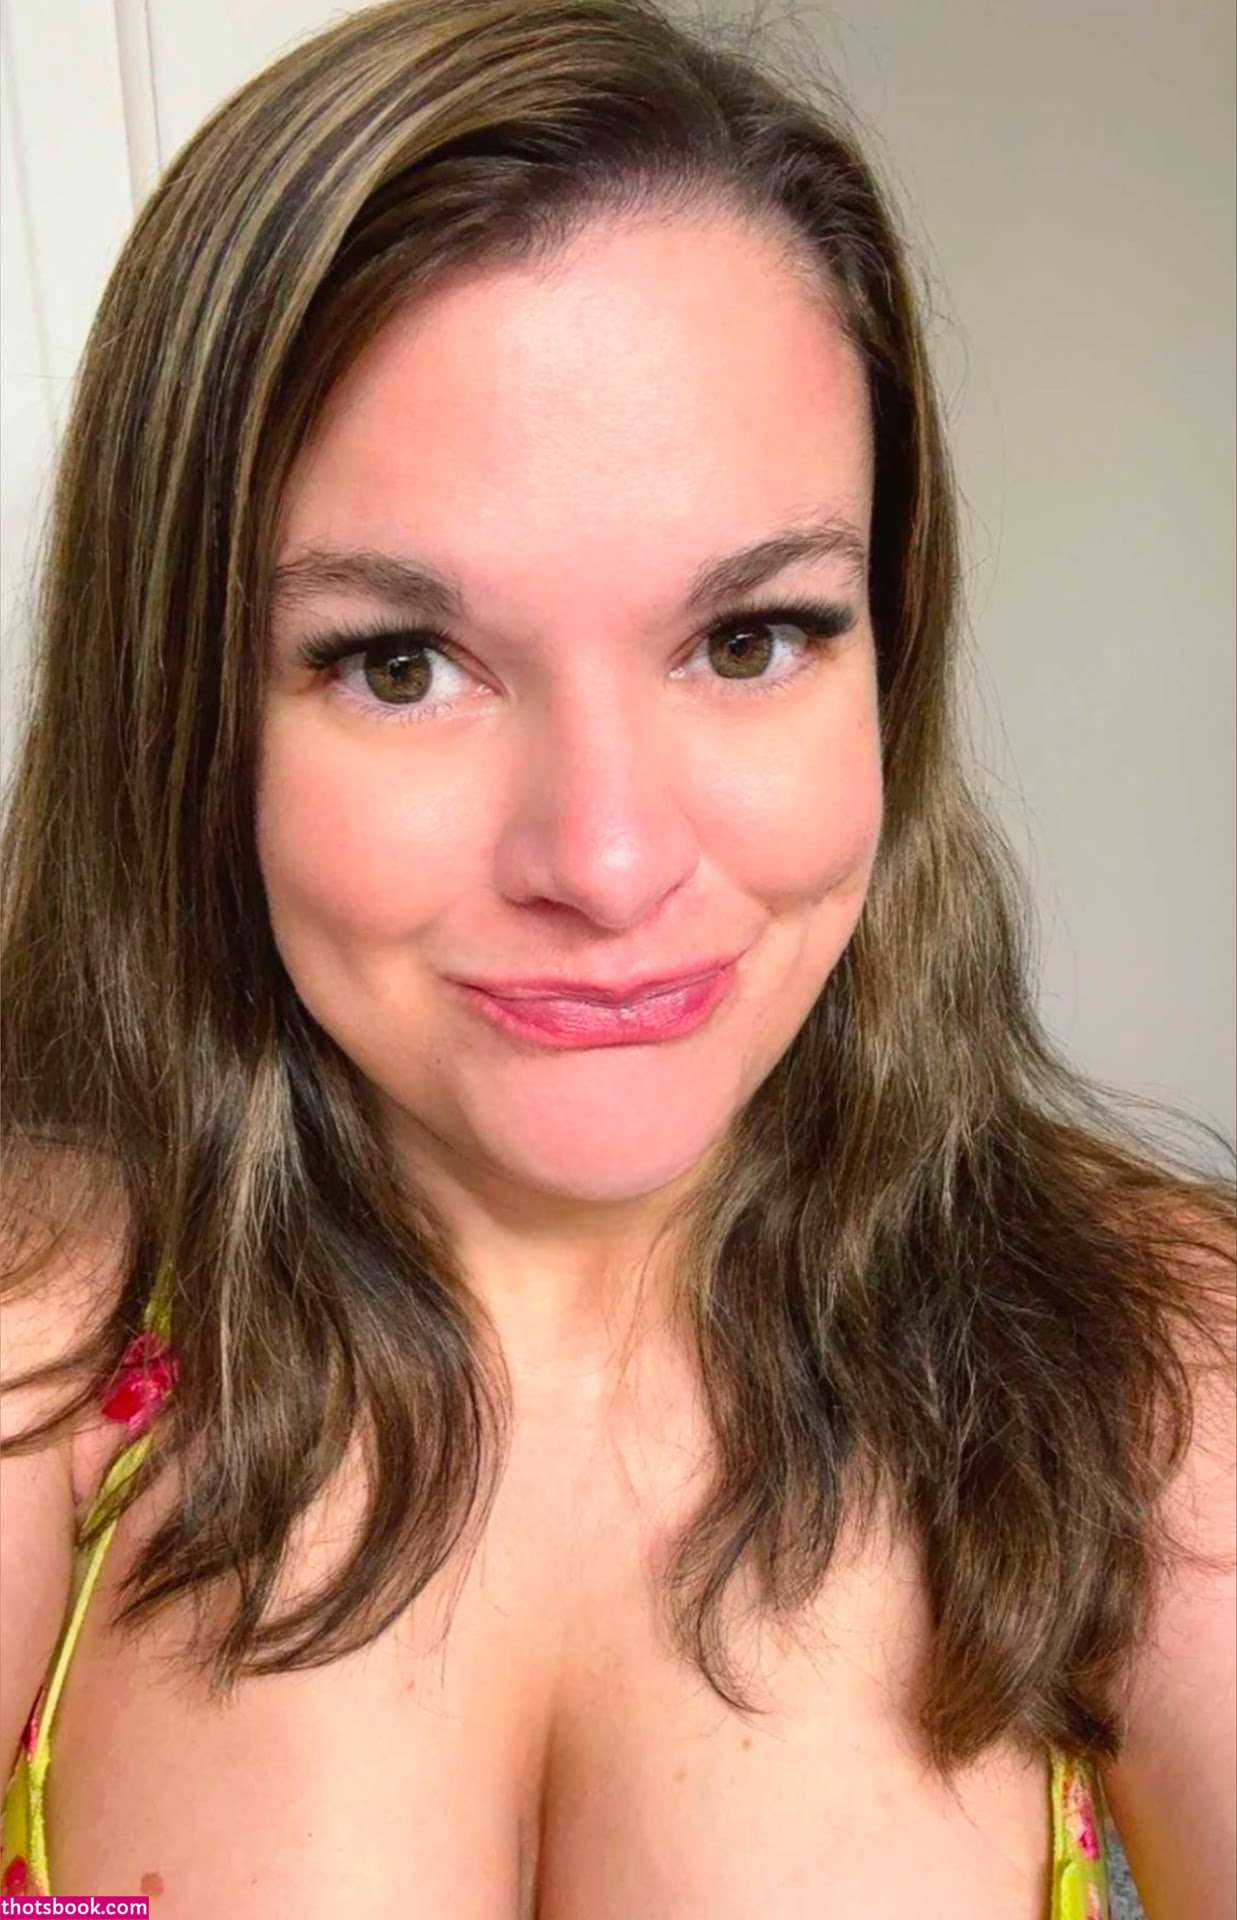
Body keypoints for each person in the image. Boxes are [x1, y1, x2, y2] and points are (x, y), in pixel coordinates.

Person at [1, 1, 1233, 1914]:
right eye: (399, 664)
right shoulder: (38, 1349)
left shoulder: (1157, 1371)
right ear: (188, 709)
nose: (605, 858)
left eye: (746, 640)